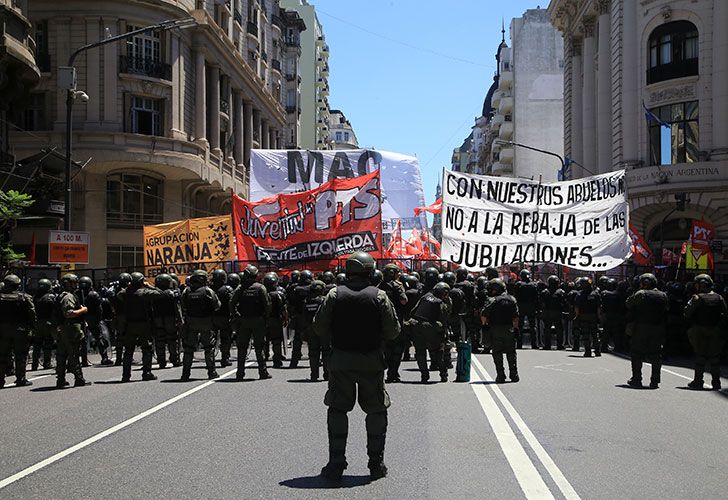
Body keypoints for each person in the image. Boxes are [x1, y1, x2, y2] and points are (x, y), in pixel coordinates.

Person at [313, 252, 400, 481]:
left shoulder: (334, 294)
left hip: (341, 360)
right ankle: (376, 463)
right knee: (376, 409)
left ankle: (336, 463)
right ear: (370, 271)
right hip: (371, 360)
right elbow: (393, 331)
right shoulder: (379, 296)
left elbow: (319, 327)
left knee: (338, 409)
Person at [625, 273, 668, 389]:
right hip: (657, 327)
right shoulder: (663, 295)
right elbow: (666, 309)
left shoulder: (640, 293)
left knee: (637, 353)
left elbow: (628, 304)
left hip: (641, 327)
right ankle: (655, 381)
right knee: (656, 355)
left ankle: (637, 379)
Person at [684, 274, 727, 390]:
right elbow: (725, 314)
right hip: (715, 330)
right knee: (715, 358)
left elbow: (687, 312)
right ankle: (716, 383)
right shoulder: (719, 297)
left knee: (700, 356)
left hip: (700, 330)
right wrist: (719, 327)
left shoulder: (697, 298)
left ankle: (698, 382)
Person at [117, 272, 161, 382]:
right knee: (146, 349)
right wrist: (149, 286)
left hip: (130, 324)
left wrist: (130, 287)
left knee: (128, 350)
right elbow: (160, 293)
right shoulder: (144, 293)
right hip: (143, 324)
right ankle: (146, 373)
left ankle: (125, 375)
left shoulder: (125, 293)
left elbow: (119, 295)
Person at [230, 265, 271, 381]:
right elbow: (267, 305)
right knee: (259, 347)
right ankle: (263, 372)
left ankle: (240, 373)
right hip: (258, 321)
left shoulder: (240, 288)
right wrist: (265, 317)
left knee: (242, 348)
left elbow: (231, 304)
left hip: (243, 321)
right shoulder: (260, 288)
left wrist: (235, 315)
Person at [181, 270, 221, 381]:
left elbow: (183, 305)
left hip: (191, 322)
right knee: (208, 348)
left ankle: (185, 374)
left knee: (188, 349)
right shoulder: (208, 291)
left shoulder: (186, 291)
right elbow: (217, 305)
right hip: (206, 322)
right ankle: (211, 372)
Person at [407, 282, 451, 383]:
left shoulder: (424, 297)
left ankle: (424, 375)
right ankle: (443, 374)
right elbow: (443, 318)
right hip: (431, 329)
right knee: (439, 351)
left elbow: (413, 312)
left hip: (417, 327)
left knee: (420, 352)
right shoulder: (440, 302)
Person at [0, 274, 36, 388]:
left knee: (2, 355)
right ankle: (21, 379)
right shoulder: (24, 297)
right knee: (20, 355)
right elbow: (32, 314)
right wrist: (33, 328)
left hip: (2, 330)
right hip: (20, 330)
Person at [481, 278, 519, 383]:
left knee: (497, 353)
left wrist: (484, 326)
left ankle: (501, 375)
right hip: (509, 329)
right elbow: (515, 317)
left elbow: (484, 315)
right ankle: (514, 374)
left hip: (495, 329)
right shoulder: (512, 299)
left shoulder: (492, 300)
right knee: (511, 352)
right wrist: (516, 328)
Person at [56, 274, 91, 388]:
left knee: (62, 355)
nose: (76, 285)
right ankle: (79, 379)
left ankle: (60, 380)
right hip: (70, 329)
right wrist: (82, 310)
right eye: (74, 283)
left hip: (63, 329)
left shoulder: (63, 295)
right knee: (74, 354)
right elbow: (69, 313)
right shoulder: (68, 297)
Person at [379, 264, 408, 383]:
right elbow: (404, 300)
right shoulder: (397, 285)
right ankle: (393, 371)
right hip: (395, 320)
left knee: (384, 347)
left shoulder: (379, 285)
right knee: (398, 347)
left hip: (381, 321)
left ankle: (384, 370)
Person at [77, 276, 113, 366]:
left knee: (82, 340)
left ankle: (84, 360)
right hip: (92, 318)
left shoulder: (76, 293)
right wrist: (99, 319)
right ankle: (104, 357)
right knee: (99, 337)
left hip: (80, 318)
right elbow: (99, 309)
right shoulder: (93, 294)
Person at [152, 274, 182, 368]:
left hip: (157, 318)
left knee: (159, 340)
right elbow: (177, 308)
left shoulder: (153, 293)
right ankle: (175, 359)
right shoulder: (172, 293)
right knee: (172, 339)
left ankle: (161, 361)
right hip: (170, 318)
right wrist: (180, 319)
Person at [303, 280, 328, 381]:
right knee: (326, 352)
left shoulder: (306, 301)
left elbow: (303, 317)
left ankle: (314, 375)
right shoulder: (325, 300)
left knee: (313, 352)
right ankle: (327, 374)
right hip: (324, 329)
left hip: (311, 329)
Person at [263, 272, 287, 368]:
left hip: (264, 320)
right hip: (275, 320)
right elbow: (283, 308)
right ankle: (277, 360)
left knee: (264, 340)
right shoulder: (279, 294)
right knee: (276, 341)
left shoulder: (262, 293)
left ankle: (264, 357)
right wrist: (285, 318)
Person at [32, 278, 57, 370]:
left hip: (37, 323)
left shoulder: (35, 297)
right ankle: (47, 363)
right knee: (48, 343)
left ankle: (34, 364)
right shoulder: (51, 296)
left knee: (37, 344)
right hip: (48, 323)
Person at [211, 269, 235, 367]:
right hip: (224, 317)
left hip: (212, 317)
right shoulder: (227, 289)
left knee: (211, 339)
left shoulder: (209, 289)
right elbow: (231, 303)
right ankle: (225, 358)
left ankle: (210, 359)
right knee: (226, 339)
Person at [574, 277, 601, 357]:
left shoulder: (579, 294)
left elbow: (577, 307)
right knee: (595, 334)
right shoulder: (595, 293)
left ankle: (588, 351)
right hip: (593, 316)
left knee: (586, 334)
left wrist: (577, 316)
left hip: (583, 316)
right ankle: (597, 351)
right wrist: (598, 317)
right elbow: (599, 307)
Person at [514, 269, 539, 349]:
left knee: (520, 326)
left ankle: (519, 344)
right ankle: (534, 344)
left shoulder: (518, 284)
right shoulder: (534, 284)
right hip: (531, 306)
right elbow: (536, 297)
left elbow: (515, 295)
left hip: (521, 306)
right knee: (532, 326)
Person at [540, 276, 565, 350]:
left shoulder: (544, 292)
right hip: (557, 312)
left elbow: (542, 303)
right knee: (559, 329)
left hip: (547, 312)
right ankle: (559, 345)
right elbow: (564, 302)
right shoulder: (561, 292)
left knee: (547, 329)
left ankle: (547, 345)